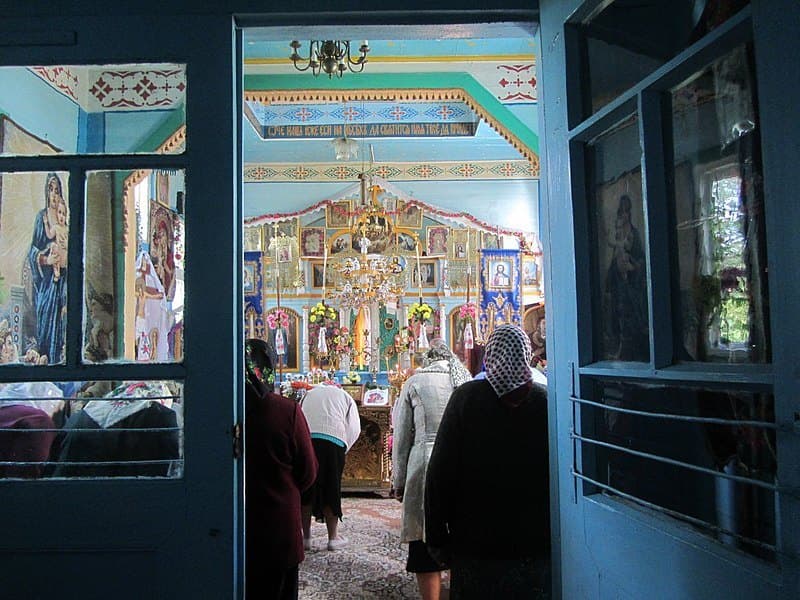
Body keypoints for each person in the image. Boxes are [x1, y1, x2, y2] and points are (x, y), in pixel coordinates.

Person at [425, 324, 551, 599]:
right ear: (526, 354)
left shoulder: (466, 399)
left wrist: (436, 537)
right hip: (533, 541)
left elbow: (440, 472)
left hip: (474, 541)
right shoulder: (545, 402)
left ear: (490, 355)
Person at [392, 338, 471, 600]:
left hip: (424, 461)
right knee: (461, 529)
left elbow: (402, 437)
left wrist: (398, 481)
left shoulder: (415, 381)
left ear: (428, 358)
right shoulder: (464, 378)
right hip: (462, 462)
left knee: (424, 534)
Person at [244, 339, 318, 600]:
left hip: (231, 525)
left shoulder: (224, 410)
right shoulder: (286, 411)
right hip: (278, 527)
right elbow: (308, 472)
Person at [300, 383, 361, 551]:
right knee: (331, 487)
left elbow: (299, 416)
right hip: (333, 440)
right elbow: (355, 428)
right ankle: (333, 538)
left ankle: (305, 538)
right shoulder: (345, 396)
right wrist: (343, 447)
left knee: (306, 488)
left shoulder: (308, 394)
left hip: (308, 439)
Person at [27, 172, 68, 364]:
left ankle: (58, 361)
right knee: (45, 315)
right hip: (45, 281)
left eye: (57, 190)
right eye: (50, 190)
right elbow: (32, 251)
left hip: (63, 278)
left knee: (62, 320)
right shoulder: (41, 218)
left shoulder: (64, 219)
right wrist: (46, 260)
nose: (53, 194)